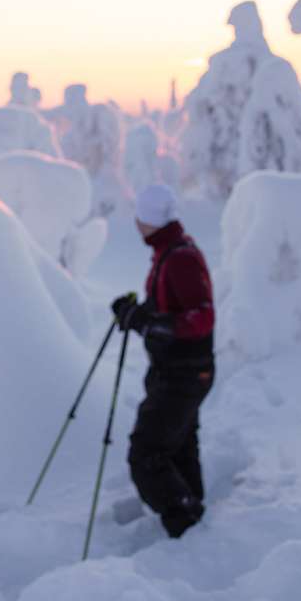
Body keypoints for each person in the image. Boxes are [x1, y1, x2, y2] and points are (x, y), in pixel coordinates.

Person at [111, 184, 215, 539]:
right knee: (179, 444)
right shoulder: (168, 251)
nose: (136, 223)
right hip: (177, 370)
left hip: (184, 373)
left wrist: (151, 322)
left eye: (140, 216)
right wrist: (137, 314)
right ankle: (192, 517)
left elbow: (201, 317)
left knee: (147, 453)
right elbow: (171, 311)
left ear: (151, 219)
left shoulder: (180, 257)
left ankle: (183, 517)